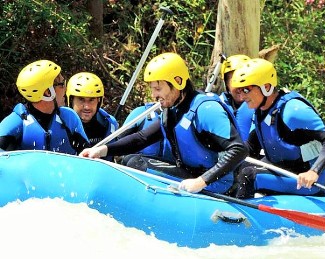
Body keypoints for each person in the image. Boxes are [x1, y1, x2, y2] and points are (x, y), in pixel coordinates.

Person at [79, 52, 248, 194]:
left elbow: (239, 149)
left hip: (216, 182)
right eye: (152, 89)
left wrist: (200, 182)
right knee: (130, 159)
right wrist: (101, 150)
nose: (154, 95)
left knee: (138, 164)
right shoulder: (172, 110)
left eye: (158, 89)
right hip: (190, 173)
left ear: (178, 83)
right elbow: (142, 138)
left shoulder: (206, 109)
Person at [230, 58, 325, 199]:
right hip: (281, 170)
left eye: (246, 90)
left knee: (248, 175)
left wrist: (314, 172)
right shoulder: (260, 111)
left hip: (307, 181)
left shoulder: (292, 110)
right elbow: (250, 148)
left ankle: (238, 218)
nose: (242, 96)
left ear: (266, 87)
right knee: (234, 169)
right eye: (239, 91)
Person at [0, 60, 90, 154]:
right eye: (62, 84)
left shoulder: (69, 117)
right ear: (48, 92)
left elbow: (87, 152)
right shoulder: (16, 121)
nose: (66, 89)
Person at [66, 72, 119, 161]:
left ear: (99, 101)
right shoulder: (61, 121)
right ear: (71, 100)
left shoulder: (108, 124)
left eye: (91, 100)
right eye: (81, 99)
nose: (87, 107)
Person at [219, 54, 255, 141]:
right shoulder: (218, 106)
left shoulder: (263, 106)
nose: (241, 87)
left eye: (244, 81)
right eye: (235, 81)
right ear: (227, 85)